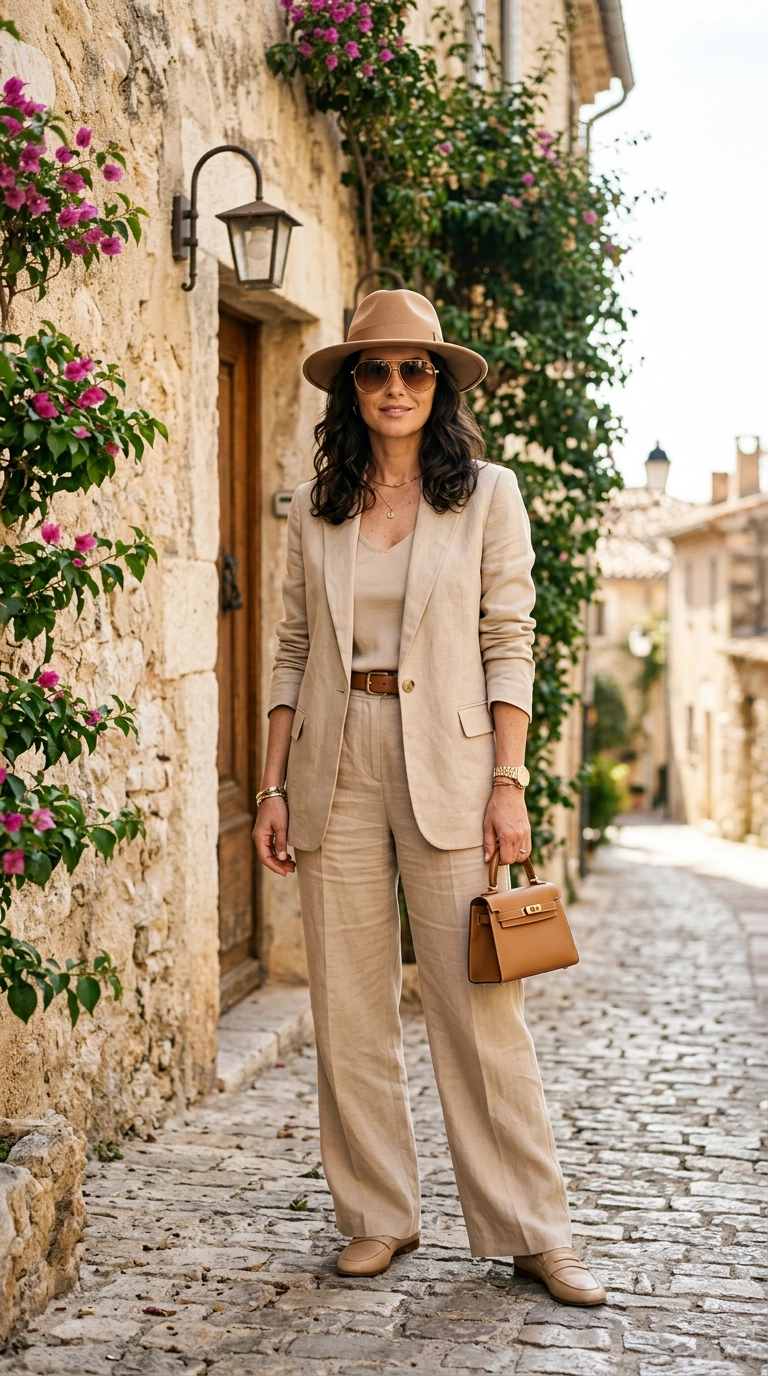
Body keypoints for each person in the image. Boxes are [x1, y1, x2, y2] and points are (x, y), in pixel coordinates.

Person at [253, 289, 605, 1306]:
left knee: (481, 1007)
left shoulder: (487, 495)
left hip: (451, 762)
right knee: (348, 1001)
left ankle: (535, 1229)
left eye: (414, 369)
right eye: (375, 369)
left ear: (439, 384)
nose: (395, 386)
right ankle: (376, 1213)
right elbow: (287, 648)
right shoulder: (317, 508)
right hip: (335, 758)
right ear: (351, 388)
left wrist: (509, 777)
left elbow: (510, 637)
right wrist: (271, 782)